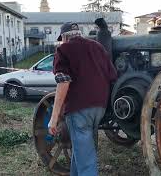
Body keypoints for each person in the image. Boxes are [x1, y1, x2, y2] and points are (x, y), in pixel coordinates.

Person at [48, 22, 117, 176]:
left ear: (64, 37)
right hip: (100, 108)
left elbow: (64, 81)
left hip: (79, 109)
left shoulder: (63, 49)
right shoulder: (98, 47)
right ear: (79, 33)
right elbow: (112, 75)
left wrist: (53, 118)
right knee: (81, 152)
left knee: (86, 163)